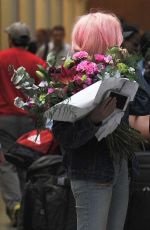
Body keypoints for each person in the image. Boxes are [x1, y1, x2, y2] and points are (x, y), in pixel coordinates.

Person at [52, 12, 150, 230]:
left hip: (120, 165)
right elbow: (63, 136)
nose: (121, 43)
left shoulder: (117, 72)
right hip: (91, 169)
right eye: (116, 38)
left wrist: (130, 66)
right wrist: (93, 121)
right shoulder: (70, 76)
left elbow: (144, 104)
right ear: (106, 40)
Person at [0, 22, 45, 226]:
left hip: (4, 118)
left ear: (11, 39)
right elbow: (44, 93)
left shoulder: (1, 58)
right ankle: (30, 206)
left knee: (7, 162)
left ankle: (14, 204)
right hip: (30, 118)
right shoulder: (37, 62)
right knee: (28, 161)